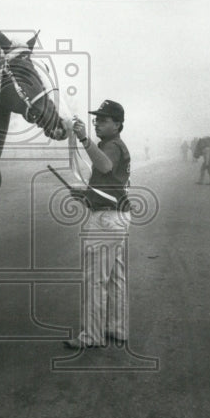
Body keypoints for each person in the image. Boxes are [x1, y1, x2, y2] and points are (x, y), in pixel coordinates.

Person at [63, 99, 132, 351]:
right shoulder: (112, 145)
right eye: (96, 119)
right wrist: (86, 195)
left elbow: (104, 165)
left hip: (106, 220)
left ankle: (92, 335)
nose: (97, 123)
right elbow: (109, 182)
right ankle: (117, 327)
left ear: (118, 124)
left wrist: (83, 140)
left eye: (103, 120)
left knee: (95, 279)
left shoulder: (112, 146)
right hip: (117, 216)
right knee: (115, 277)